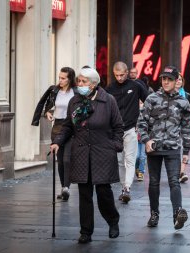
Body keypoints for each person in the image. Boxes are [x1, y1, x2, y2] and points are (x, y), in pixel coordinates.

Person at [50, 67, 124, 244]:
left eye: (83, 81)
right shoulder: (74, 101)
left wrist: (115, 145)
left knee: (103, 193)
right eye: (79, 81)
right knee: (84, 194)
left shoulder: (108, 101)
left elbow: (118, 127)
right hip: (82, 153)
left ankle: (113, 220)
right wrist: (57, 142)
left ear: (93, 84)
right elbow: (68, 126)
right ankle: (86, 232)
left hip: (103, 153)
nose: (79, 84)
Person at [137, 65, 190, 229]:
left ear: (176, 81)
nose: (166, 82)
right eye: (164, 79)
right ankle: (154, 214)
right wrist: (146, 140)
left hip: (173, 148)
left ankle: (177, 214)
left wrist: (186, 151)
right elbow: (141, 123)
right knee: (153, 183)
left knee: (174, 181)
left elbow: (187, 127)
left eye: (169, 79)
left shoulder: (183, 102)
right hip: (154, 148)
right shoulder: (151, 99)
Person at [106, 61, 149, 203]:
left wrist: (144, 122)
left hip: (131, 128)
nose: (119, 78)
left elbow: (148, 102)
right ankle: (123, 187)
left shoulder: (135, 86)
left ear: (127, 73)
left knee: (130, 159)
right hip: (115, 131)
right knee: (119, 161)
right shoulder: (110, 88)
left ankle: (127, 188)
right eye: (116, 75)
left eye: (122, 75)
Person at [31, 67, 77, 201]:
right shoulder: (54, 90)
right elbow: (46, 103)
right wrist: (47, 112)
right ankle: (63, 187)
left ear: (70, 79)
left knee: (67, 159)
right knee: (61, 161)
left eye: (63, 78)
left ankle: (66, 188)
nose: (60, 80)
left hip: (71, 127)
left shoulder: (76, 92)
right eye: (59, 77)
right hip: (57, 127)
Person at [175, 73, 190, 183]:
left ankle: (182, 172)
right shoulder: (168, 94)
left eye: (180, 79)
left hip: (184, 126)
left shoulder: (187, 95)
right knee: (177, 150)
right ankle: (177, 172)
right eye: (176, 79)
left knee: (185, 148)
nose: (178, 81)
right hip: (173, 127)